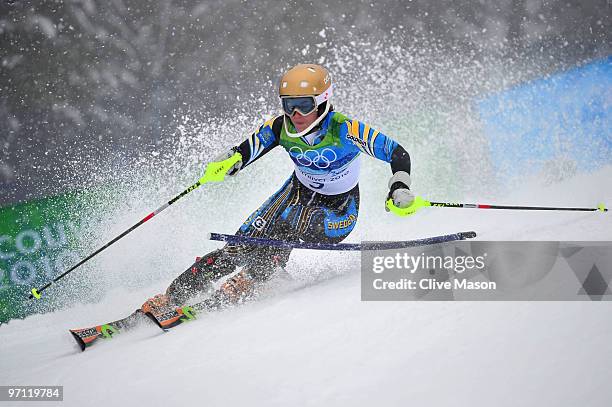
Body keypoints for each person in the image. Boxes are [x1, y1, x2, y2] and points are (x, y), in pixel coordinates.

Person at [141, 64, 416, 314]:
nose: (295, 114)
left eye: (303, 105)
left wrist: (399, 187)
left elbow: (397, 153)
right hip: (295, 193)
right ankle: (174, 296)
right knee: (238, 247)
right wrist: (229, 161)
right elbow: (247, 150)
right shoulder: (279, 127)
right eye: (289, 105)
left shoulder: (345, 129)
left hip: (339, 211)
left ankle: (253, 278)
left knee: (291, 224)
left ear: (321, 102)